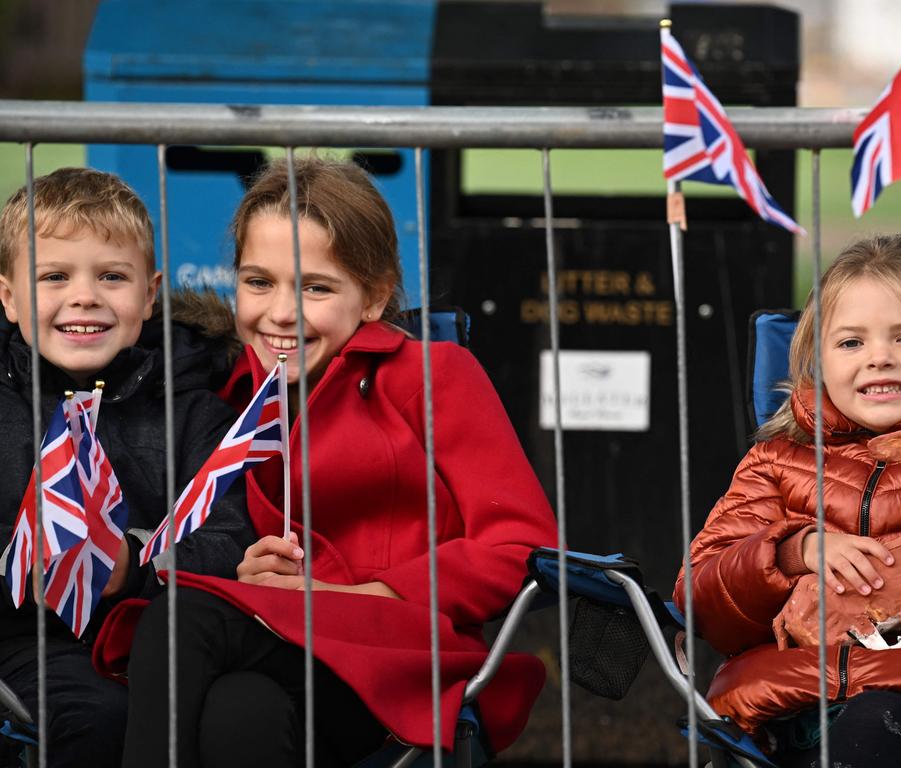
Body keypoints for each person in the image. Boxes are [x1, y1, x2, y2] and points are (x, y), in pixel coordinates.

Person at [119, 156, 557, 768]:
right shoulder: (227, 397)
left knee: (179, 621)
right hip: (287, 645)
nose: (280, 313)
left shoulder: (433, 376)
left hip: (399, 652)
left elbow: (520, 545)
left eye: (315, 287)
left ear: (374, 296)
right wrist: (253, 565)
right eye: (258, 282)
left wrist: (373, 589)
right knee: (240, 713)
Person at [675, 235, 901, 767]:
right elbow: (700, 601)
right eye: (851, 343)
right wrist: (794, 551)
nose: (879, 358)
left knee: (873, 733)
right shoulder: (777, 465)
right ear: (816, 361)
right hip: (780, 710)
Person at [0, 167, 255, 768]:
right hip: (20, 639)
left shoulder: (192, 402)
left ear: (149, 294)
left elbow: (231, 534)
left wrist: (134, 561)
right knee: (100, 717)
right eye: (54, 276)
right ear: (8, 296)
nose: (85, 296)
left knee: (211, 717)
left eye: (112, 277)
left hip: (145, 638)